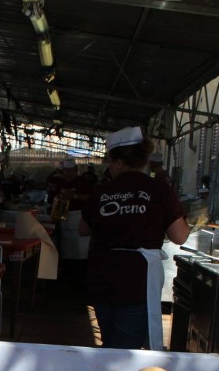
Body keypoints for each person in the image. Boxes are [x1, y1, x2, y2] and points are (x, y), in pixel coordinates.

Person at [79, 126, 189, 350]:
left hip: (104, 279)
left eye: (110, 162)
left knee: (111, 342)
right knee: (125, 348)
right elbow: (180, 236)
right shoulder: (159, 190)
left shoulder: (102, 192)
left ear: (119, 163)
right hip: (136, 281)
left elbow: (82, 229)